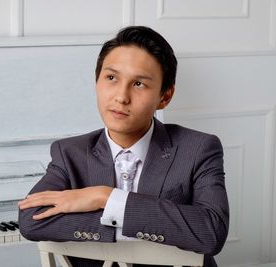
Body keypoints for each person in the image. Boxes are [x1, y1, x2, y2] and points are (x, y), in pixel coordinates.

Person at [18, 26, 229, 267]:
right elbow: (31, 219)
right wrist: (150, 224)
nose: (121, 96)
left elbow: (211, 232)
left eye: (139, 84)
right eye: (111, 78)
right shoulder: (69, 153)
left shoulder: (199, 148)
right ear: (96, 82)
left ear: (165, 96)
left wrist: (105, 198)